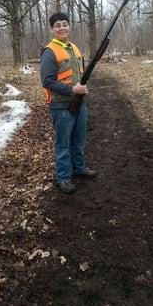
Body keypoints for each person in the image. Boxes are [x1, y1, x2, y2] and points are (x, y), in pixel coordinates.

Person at [40, 12, 96, 194]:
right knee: (63, 144)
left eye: (65, 24)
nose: (62, 27)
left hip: (80, 103)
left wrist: (82, 88)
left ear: (69, 26)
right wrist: (73, 90)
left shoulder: (74, 48)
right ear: (52, 29)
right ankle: (63, 177)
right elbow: (47, 81)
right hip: (61, 105)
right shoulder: (49, 51)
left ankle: (79, 169)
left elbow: (79, 75)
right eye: (58, 25)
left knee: (79, 140)